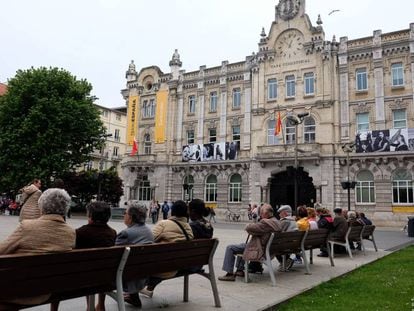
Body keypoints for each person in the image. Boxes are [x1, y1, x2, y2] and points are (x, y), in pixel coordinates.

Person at [0, 188, 75, 310]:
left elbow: (2, 251)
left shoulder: (27, 227)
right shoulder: (70, 232)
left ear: (41, 207)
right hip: (46, 291)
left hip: (15, 291)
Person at [140, 200, 193, 298]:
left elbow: (148, 241)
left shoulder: (164, 224)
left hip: (160, 268)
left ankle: (132, 293)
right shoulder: (189, 228)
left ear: (172, 211)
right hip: (176, 267)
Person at [218, 204, 281, 281]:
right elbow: (260, 231)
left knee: (230, 248)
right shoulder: (276, 222)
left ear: (266, 214)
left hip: (259, 248)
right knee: (242, 246)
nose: (260, 215)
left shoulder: (266, 223)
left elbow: (249, 228)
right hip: (268, 247)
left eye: (261, 213)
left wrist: (250, 224)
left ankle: (229, 274)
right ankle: (240, 270)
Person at [116, 202, 154, 308]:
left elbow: (114, 258)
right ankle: (133, 297)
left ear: (131, 217)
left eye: (125, 213)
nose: (124, 215)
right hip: (145, 272)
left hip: (127, 275)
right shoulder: (148, 231)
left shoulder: (125, 234)